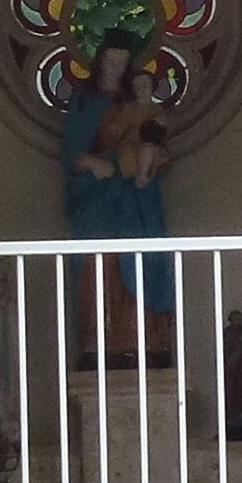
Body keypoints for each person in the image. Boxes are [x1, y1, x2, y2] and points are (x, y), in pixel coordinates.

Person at [62, 30, 179, 340]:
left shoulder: (134, 100)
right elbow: (73, 149)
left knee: (144, 254)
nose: (115, 67)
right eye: (110, 61)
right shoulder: (84, 100)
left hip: (134, 192)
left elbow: (154, 141)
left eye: (122, 62)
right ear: (100, 60)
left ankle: (147, 337)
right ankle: (99, 338)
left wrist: (150, 160)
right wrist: (90, 162)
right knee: (98, 258)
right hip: (97, 194)